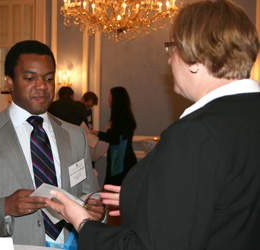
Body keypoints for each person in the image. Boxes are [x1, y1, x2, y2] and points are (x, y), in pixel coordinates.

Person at [45, 0, 260, 249]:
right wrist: (135, 195)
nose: (169, 61)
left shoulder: (195, 134)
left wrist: (82, 222)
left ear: (196, 57)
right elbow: (224, 201)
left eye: (173, 48)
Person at [0, 40, 104, 248]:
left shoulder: (75, 136)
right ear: (10, 82)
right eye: (30, 78)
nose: (42, 86)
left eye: (49, 78)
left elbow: (89, 196)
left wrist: (98, 212)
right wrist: (4, 208)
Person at [91, 86, 137, 185]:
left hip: (121, 160)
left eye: (110, 96)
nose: (109, 99)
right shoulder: (125, 115)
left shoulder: (121, 117)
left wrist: (107, 131)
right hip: (123, 157)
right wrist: (99, 133)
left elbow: (115, 138)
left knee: (114, 187)